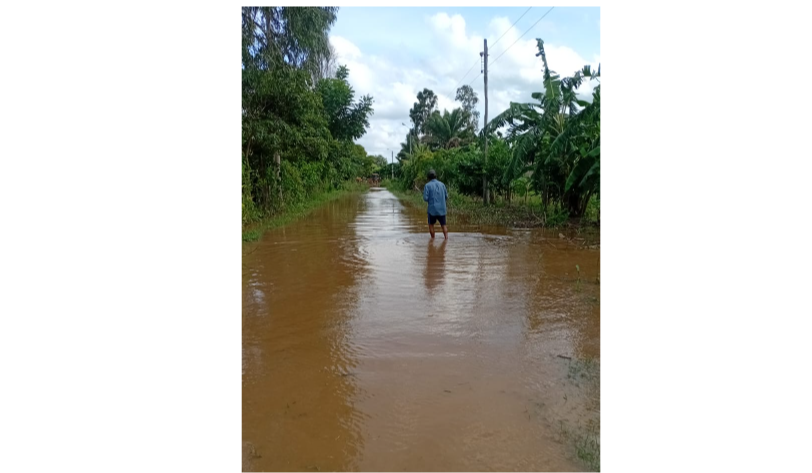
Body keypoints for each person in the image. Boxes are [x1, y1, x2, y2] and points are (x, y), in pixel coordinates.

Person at [422, 169, 448, 239]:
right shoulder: (442, 184)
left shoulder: (427, 186)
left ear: (428, 178)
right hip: (442, 209)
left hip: (432, 210)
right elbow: (446, 197)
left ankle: (432, 240)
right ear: (436, 176)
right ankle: (446, 239)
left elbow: (425, 198)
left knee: (431, 225)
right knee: (443, 225)